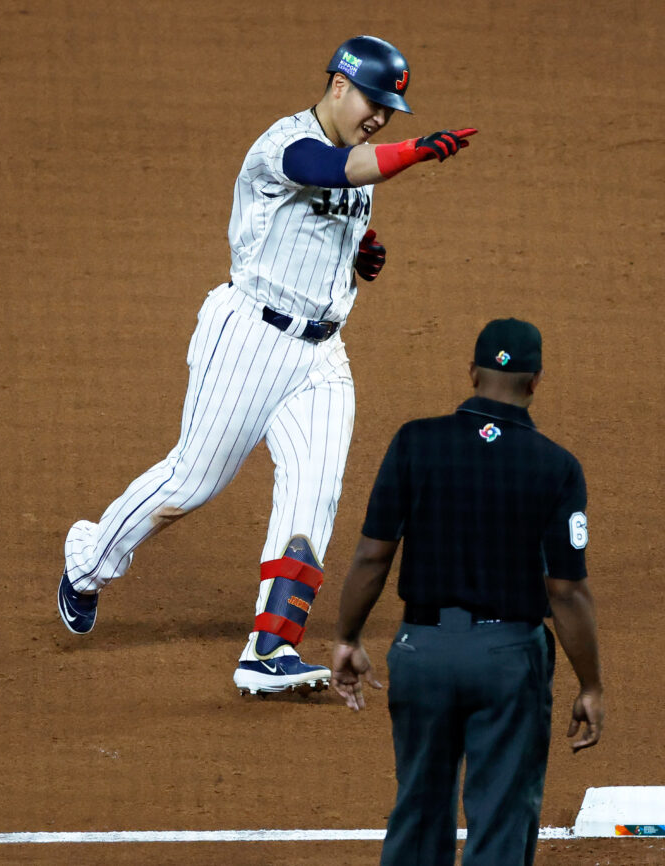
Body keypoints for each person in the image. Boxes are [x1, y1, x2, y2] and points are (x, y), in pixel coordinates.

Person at [55, 35, 478, 696]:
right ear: (340, 85)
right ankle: (90, 559)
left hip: (322, 355)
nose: (381, 117)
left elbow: (344, 209)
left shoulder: (353, 157)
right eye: (374, 101)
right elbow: (334, 172)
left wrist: (361, 252)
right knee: (190, 483)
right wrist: (416, 152)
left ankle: (271, 648)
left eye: (392, 111)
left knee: (316, 489)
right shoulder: (285, 144)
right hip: (250, 339)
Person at [331, 318, 604, 865]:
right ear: (536, 382)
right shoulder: (556, 466)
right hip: (507, 663)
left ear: (472, 373)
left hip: (422, 653)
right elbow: (567, 591)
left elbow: (373, 555)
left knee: (418, 812)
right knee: (501, 820)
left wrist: (346, 637)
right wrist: (591, 684)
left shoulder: (415, 442)